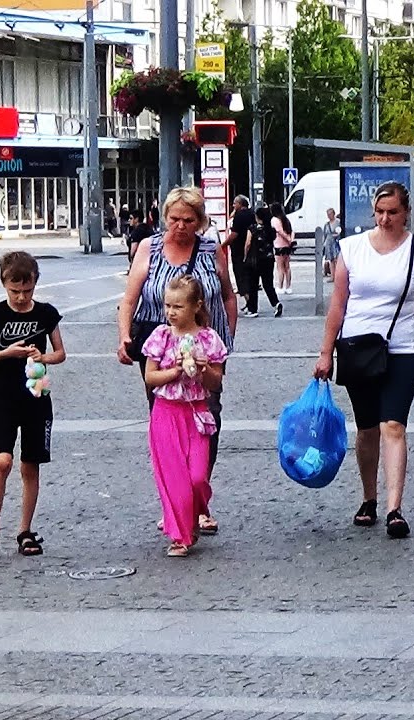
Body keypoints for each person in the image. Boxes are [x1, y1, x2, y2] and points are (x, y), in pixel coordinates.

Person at [313, 182, 414, 539]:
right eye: (380, 212)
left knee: (394, 425)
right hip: (358, 347)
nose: (386, 218)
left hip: (403, 348)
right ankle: (368, 497)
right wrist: (325, 352)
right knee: (367, 428)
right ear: (373, 212)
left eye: (393, 212)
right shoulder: (352, 249)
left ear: (406, 212)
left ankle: (394, 508)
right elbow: (338, 304)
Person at [118, 186, 238, 536]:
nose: (181, 226)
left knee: (206, 418)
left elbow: (228, 297)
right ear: (164, 217)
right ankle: (174, 502)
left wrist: (226, 339)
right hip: (157, 344)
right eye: (174, 219)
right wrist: (124, 336)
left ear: (200, 221)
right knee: (166, 424)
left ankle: (197, 502)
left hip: (204, 343)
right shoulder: (148, 248)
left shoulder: (210, 249)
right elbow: (129, 299)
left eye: (189, 220)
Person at [0, 251, 67, 560]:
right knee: (3, 461)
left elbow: (60, 353)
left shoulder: (47, 313)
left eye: (27, 290)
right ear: (4, 284)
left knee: (30, 464)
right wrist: (6, 353)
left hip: (37, 396)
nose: (22, 296)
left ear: (35, 283)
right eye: (15, 291)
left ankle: (25, 529)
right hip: (4, 398)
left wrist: (42, 357)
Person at [142, 275, 229, 557]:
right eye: (168, 306)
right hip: (166, 413)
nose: (171, 312)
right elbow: (150, 377)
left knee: (197, 478)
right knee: (176, 480)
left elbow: (216, 383)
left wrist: (204, 370)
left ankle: (193, 513)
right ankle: (180, 535)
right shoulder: (160, 336)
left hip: (197, 413)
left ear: (196, 306)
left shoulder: (209, 339)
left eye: (178, 306)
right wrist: (175, 371)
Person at [249, 206, 284, 318]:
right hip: (269, 259)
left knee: (253, 284)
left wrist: (245, 256)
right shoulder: (270, 230)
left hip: (256, 259)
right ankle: (275, 303)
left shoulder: (253, 229)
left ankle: (253, 309)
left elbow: (248, 243)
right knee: (268, 284)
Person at [226, 195, 257, 317]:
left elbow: (234, 234)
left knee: (241, 277)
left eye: (235, 203)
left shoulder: (239, 216)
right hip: (251, 251)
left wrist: (224, 244)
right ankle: (249, 303)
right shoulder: (251, 213)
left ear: (240, 204)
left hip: (239, 250)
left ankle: (250, 304)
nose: (233, 205)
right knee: (249, 277)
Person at [270, 202, 295, 295]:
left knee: (280, 267)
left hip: (279, 245)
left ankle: (280, 286)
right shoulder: (285, 219)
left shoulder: (274, 220)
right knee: (287, 267)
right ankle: (288, 287)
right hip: (287, 246)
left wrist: (287, 239)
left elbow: (279, 231)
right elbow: (291, 231)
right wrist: (290, 240)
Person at [324, 207, 342, 281]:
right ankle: (332, 276)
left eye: (330, 214)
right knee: (331, 260)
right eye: (328, 214)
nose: (329, 216)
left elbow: (341, 231)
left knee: (336, 259)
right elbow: (324, 234)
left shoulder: (338, 222)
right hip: (329, 243)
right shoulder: (326, 224)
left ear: (333, 214)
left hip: (336, 242)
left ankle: (338, 276)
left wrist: (337, 235)